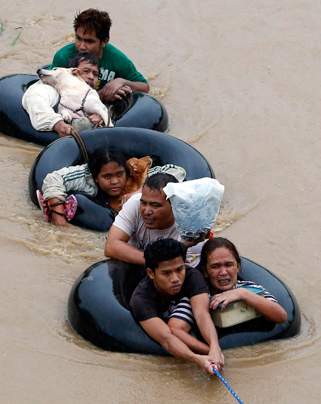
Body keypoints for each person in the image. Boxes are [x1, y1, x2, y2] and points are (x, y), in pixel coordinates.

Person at [169, 237, 288, 354]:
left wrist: (243, 294)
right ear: (205, 271)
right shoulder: (198, 296)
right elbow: (174, 329)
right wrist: (211, 351)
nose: (223, 272)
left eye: (229, 265)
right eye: (215, 266)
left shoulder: (250, 289)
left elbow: (281, 316)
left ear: (237, 267)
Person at [129, 238, 224, 374]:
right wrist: (197, 359)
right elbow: (166, 339)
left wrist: (215, 348)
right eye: (166, 273)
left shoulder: (192, 277)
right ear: (151, 273)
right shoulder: (141, 300)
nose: (175, 279)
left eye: (179, 269)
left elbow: (202, 315)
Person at [40, 146, 185, 226]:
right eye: (107, 177)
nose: (115, 181)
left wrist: (141, 191)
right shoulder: (86, 176)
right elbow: (54, 178)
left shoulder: (137, 175)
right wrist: (59, 217)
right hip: (100, 212)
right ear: (96, 178)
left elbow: (177, 171)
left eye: (119, 174)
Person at [104, 173, 208, 267]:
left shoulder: (191, 231)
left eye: (155, 205)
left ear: (175, 206)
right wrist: (155, 260)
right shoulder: (135, 203)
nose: (146, 211)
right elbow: (111, 246)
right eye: (144, 203)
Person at [51, 8, 149, 103]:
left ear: (104, 42)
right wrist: (100, 95)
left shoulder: (117, 60)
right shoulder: (63, 57)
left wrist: (122, 82)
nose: (82, 46)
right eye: (79, 38)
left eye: (89, 41)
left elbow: (145, 87)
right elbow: (53, 91)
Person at [22, 52, 104, 138]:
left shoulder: (93, 99)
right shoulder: (49, 88)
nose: (91, 77)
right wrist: (58, 124)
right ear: (72, 72)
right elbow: (34, 99)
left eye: (95, 74)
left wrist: (98, 120)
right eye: (85, 71)